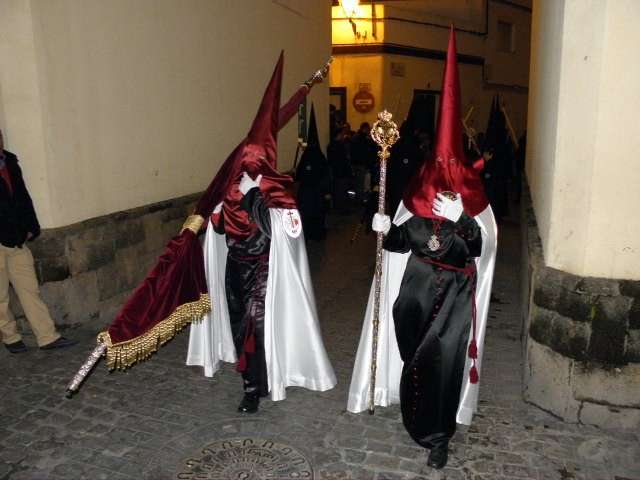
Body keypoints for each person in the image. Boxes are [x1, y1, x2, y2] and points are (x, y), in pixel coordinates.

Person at [347, 28, 498, 470]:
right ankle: (415, 409)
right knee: (414, 353)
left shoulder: (468, 206)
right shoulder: (419, 202)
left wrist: (463, 218)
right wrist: (381, 226)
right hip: (415, 289)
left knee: (445, 361)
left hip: (454, 294)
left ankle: (438, 436)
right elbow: (401, 241)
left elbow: (480, 248)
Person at [187, 53, 336, 413]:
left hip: (265, 270)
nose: (250, 164)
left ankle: (254, 387)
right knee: (240, 325)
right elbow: (220, 228)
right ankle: (255, 378)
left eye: (256, 159)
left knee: (258, 326)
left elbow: (286, 231)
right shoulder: (231, 186)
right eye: (246, 159)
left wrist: (256, 198)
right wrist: (217, 212)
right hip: (236, 266)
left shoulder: (275, 191)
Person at [0, 129, 77, 353]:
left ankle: (47, 336)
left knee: (30, 290)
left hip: (17, 240)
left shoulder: (10, 162)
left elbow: (23, 197)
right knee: (0, 297)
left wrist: (31, 227)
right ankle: (10, 337)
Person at [296, 104, 331, 240]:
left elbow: (299, 175)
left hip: (312, 193)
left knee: (311, 214)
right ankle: (315, 234)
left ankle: (311, 234)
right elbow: (325, 175)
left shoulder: (308, 156)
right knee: (313, 213)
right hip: (313, 193)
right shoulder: (319, 156)